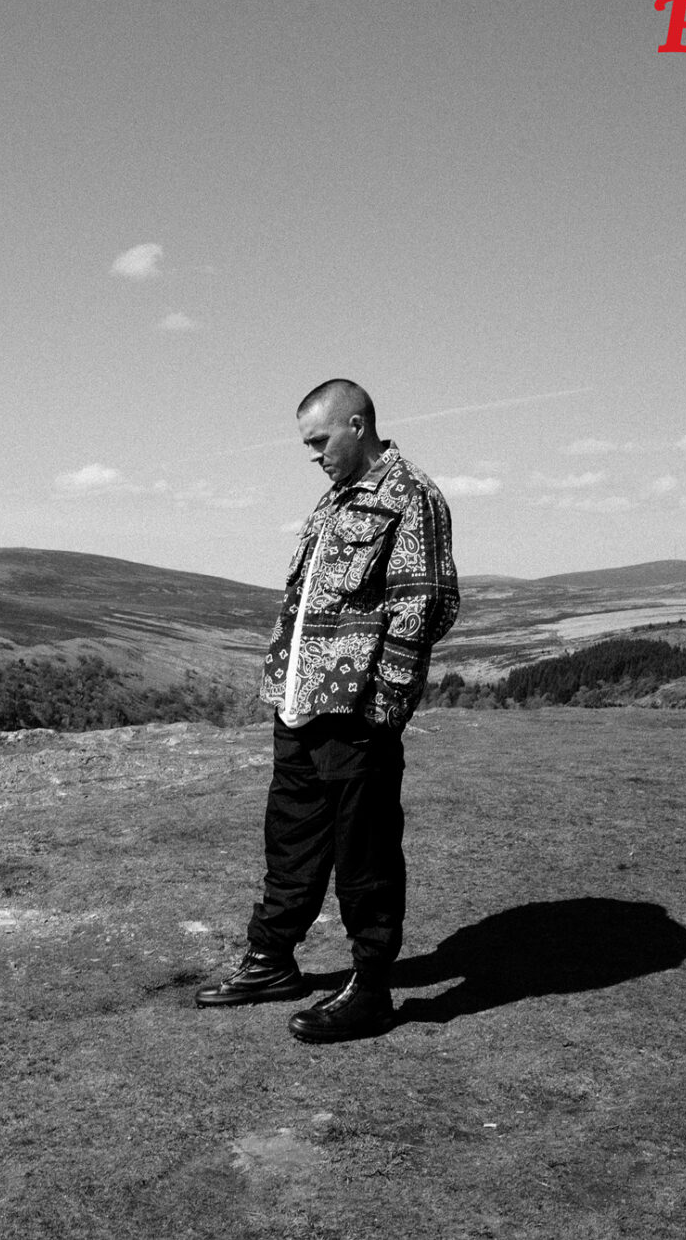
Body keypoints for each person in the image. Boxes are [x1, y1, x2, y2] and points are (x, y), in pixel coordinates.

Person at [197, 378, 460, 1043]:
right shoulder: (334, 499)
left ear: (356, 423)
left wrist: (385, 706)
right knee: (290, 838)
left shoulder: (410, 496)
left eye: (319, 440)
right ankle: (270, 961)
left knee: (363, 851)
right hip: (302, 703)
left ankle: (370, 988)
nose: (313, 455)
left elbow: (422, 603)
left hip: (357, 710)